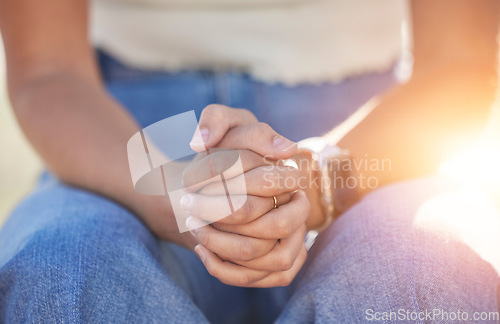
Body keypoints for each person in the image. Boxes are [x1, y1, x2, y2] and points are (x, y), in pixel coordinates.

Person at [0, 0, 499, 322]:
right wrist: (167, 190)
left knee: (429, 277)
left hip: (375, 143)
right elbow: (47, 69)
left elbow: (460, 62)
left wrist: (317, 180)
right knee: (62, 273)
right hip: (121, 138)